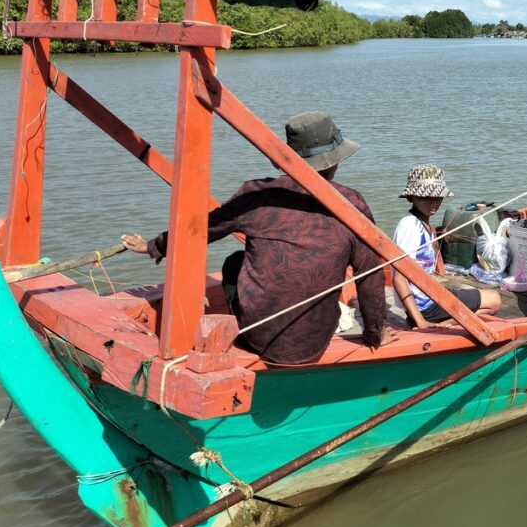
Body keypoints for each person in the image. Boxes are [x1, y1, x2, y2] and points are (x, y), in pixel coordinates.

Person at [121, 111, 393, 364]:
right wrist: (375, 333)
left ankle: (240, 330)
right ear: (334, 162)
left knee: (234, 263)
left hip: (257, 339)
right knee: (238, 261)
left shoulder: (258, 196)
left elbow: (200, 231)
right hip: (312, 344)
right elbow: (370, 275)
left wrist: (153, 246)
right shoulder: (351, 203)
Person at [391, 164, 502, 327]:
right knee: (495, 300)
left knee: (489, 299)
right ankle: (426, 322)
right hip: (424, 305)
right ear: (411, 197)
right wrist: (421, 321)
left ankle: (436, 319)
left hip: (431, 296)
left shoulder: (422, 223)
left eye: (437, 197)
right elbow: (398, 278)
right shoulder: (410, 226)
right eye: (425, 198)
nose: (433, 203)